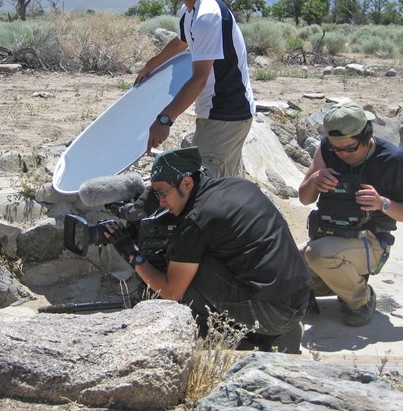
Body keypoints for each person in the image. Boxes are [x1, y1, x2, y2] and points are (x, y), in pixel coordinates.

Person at [107, 147, 311, 353]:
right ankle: (275, 332)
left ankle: (236, 340)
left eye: (162, 194)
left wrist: (130, 252)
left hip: (272, 311)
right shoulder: (238, 185)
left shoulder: (197, 220)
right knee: (199, 256)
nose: (160, 202)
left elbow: (171, 292)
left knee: (186, 271)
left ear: (187, 183)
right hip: (300, 299)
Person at [135, 0, 255, 178]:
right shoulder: (189, 10)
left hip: (226, 113)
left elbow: (199, 79)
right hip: (215, 110)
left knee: (208, 185)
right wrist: (152, 64)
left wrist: (165, 118)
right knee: (225, 181)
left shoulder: (207, 16)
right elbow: (181, 42)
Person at [298, 101, 403, 326]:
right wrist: (315, 180)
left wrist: (382, 203)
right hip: (328, 233)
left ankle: (361, 300)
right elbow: (305, 198)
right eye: (337, 149)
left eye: (350, 148)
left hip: (371, 241)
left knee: (318, 254)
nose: (342, 154)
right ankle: (328, 285)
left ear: (366, 136)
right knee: (284, 264)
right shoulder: (326, 148)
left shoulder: (393, 160)